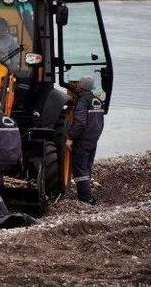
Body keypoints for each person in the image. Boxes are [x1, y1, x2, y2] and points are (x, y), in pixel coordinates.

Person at [67, 76, 104, 205]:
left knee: (79, 167)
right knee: (87, 166)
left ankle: (86, 198)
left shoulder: (83, 101)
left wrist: (70, 137)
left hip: (83, 140)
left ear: (80, 86)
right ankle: (87, 195)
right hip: (93, 138)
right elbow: (100, 122)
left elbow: (80, 123)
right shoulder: (97, 100)